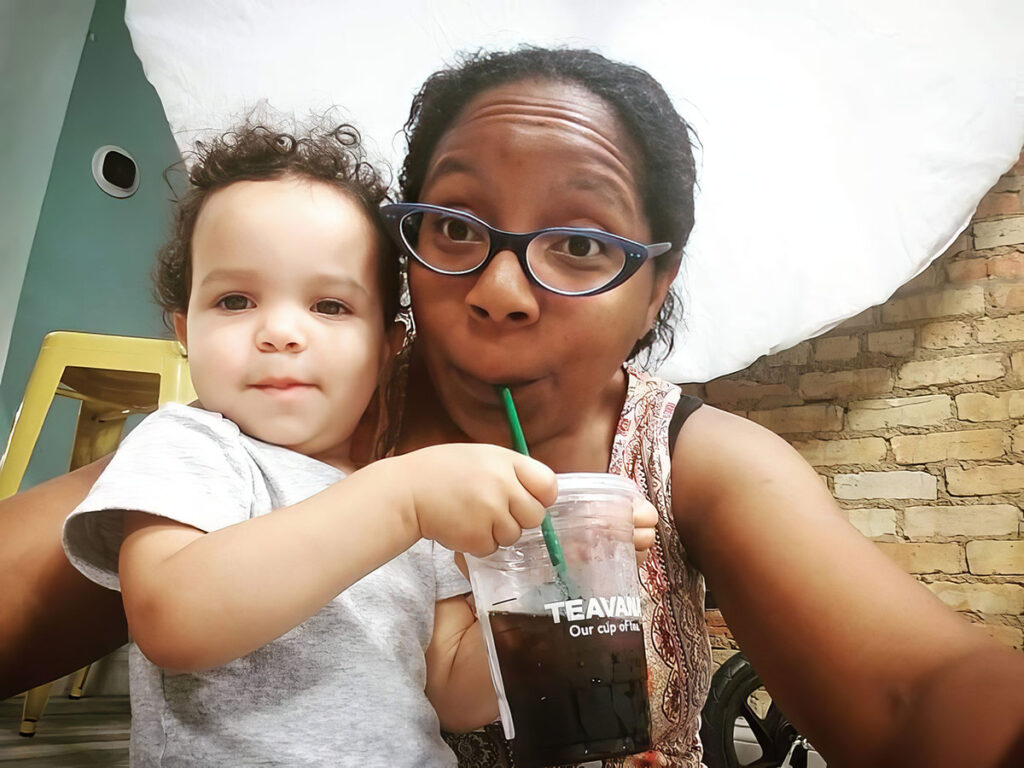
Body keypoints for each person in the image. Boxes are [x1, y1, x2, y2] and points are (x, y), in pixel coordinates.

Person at [1, 46, 1022, 768]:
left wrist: (550, 616)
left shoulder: (689, 460)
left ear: (653, 289)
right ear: (404, 265)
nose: (500, 288)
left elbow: (916, 692)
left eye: (580, 243)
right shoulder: (280, 432)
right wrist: (396, 494)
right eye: (453, 226)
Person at [54, 120, 581, 767]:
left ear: (388, 349)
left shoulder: (416, 503)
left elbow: (450, 693)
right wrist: (398, 500)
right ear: (185, 331)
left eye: (329, 306)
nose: (279, 331)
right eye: (236, 299)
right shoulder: (191, 445)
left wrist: (543, 602)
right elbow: (174, 619)